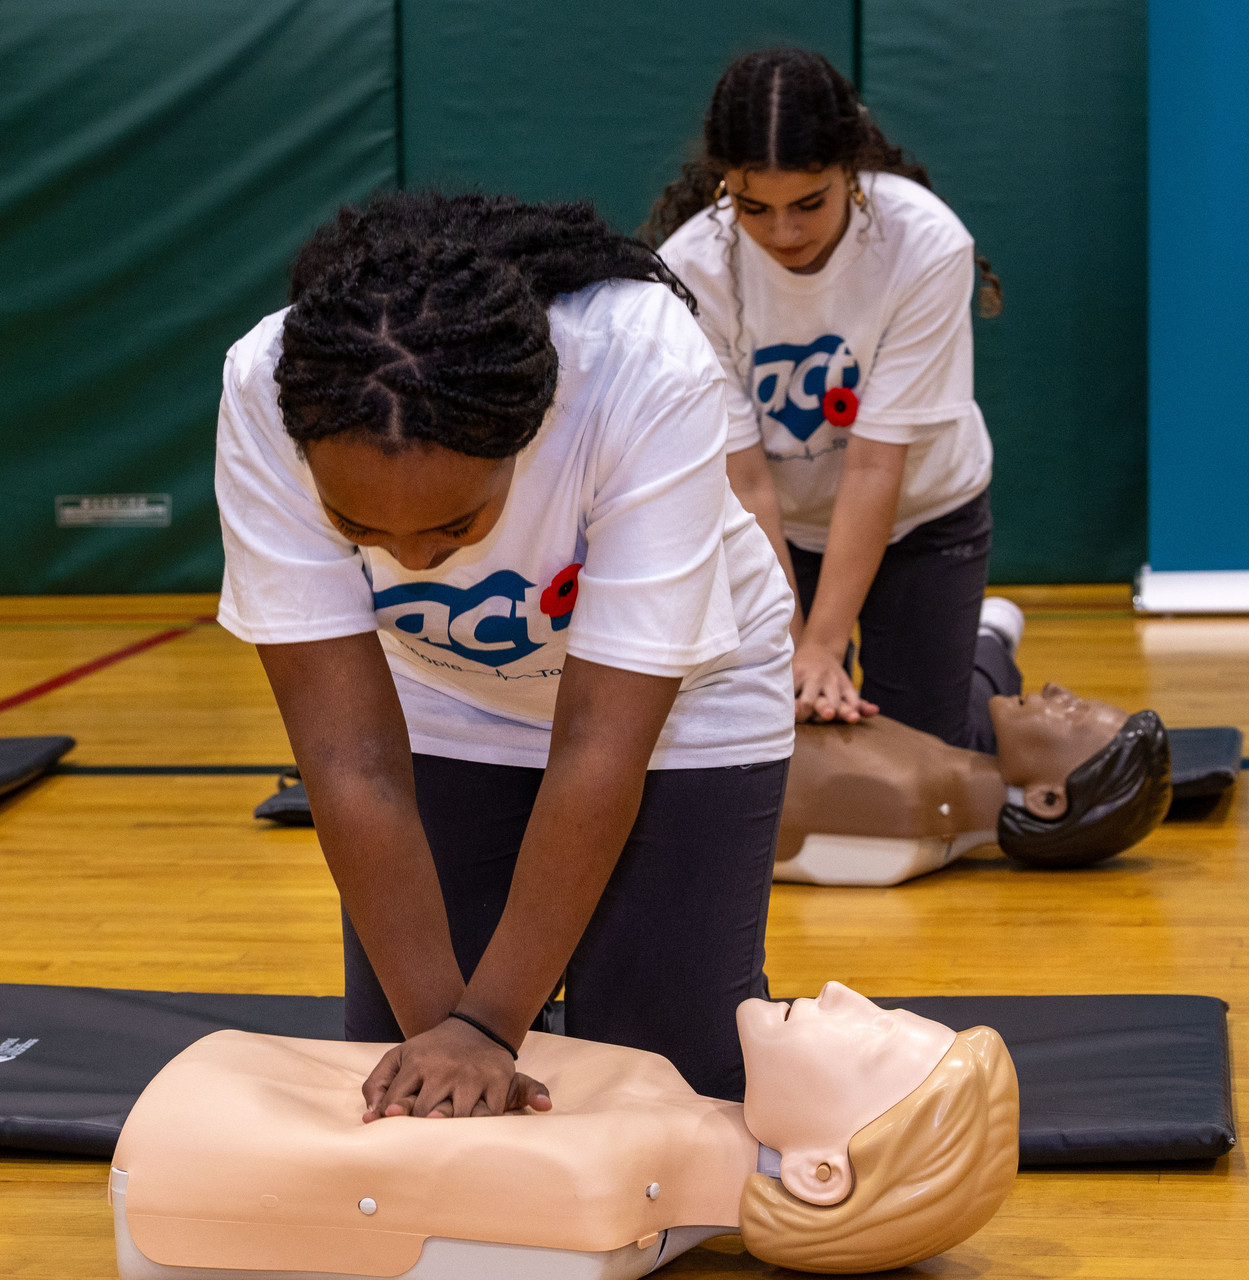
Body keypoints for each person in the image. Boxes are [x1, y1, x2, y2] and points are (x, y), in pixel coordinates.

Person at [214, 191, 794, 1112]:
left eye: (454, 523)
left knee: (673, 1089)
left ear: (530, 433)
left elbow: (600, 745)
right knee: (410, 1085)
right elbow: (347, 759)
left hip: (685, 703)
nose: (409, 559)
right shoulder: (268, 388)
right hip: (443, 698)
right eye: (357, 527)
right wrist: (446, 1041)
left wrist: (488, 1026)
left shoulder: (637, 363)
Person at [111, 983, 1018, 1278]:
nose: (841, 995)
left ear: (821, 1174)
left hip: (182, 1145)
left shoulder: (614, 1179)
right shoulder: (647, 1092)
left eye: (871, 1040)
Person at [649, 47, 1021, 748]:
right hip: (775, 526)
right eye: (752, 206)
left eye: (808, 203)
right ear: (720, 181)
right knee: (785, 740)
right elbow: (747, 477)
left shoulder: (924, 243)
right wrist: (790, 649)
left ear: (850, 170)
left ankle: (987, 644)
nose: (783, 233)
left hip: (919, 516)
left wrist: (822, 645)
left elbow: (875, 465)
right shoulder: (691, 268)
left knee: (922, 751)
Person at [777, 683, 1172, 880]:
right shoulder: (926, 773)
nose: (1056, 689)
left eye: (1074, 714)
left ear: (1046, 800)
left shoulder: (901, 795)